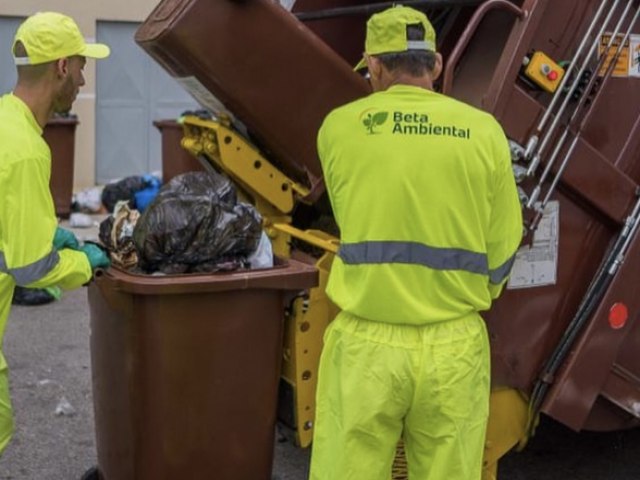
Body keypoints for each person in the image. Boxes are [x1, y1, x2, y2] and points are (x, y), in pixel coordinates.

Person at [309, 5, 523, 480]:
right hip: (454, 347)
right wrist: (473, 296)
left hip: (367, 346)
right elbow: (506, 240)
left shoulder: (339, 128)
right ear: (438, 64)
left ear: (376, 65)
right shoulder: (485, 133)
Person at [0, 12, 111, 454]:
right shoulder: (26, 151)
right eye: (82, 66)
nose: (83, 81)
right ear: (62, 66)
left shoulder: (4, 120)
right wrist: (85, 262)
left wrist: (50, 233)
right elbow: (30, 267)